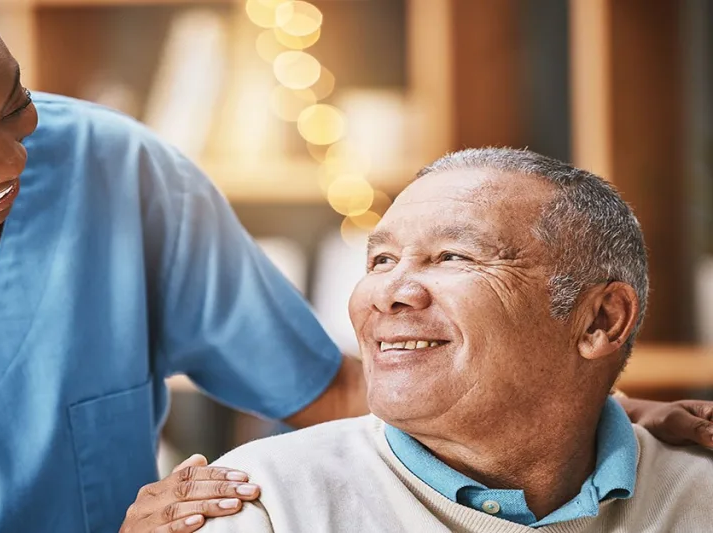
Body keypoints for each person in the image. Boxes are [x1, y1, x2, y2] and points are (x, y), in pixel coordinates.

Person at [0, 1, 708, 531]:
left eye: (12, 103)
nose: (11, 163)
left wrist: (579, 416)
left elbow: (333, 391)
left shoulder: (112, 170)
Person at [197, 148, 713, 533]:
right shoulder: (256, 504)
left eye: (453, 257)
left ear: (600, 320)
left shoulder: (699, 495)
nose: (389, 294)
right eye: (381, 260)